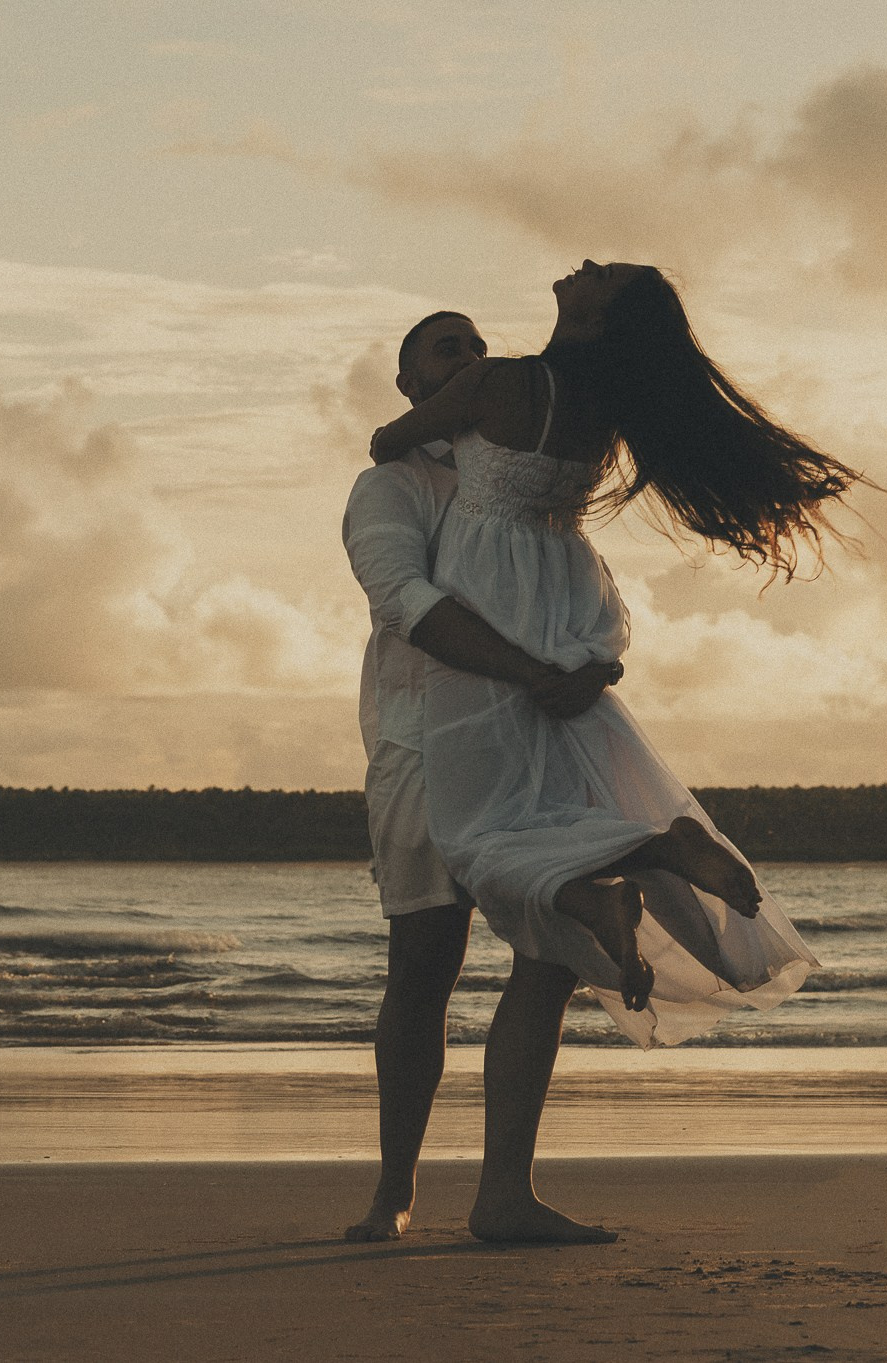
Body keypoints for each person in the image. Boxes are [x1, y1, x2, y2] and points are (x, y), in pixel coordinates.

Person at [366, 261, 861, 1242]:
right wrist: (587, 662)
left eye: (603, 273)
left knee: (478, 838)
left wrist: (443, 412)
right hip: (572, 623)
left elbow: (387, 440)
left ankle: (633, 859)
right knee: (545, 933)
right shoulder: (604, 412)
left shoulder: (500, 383)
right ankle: (504, 1189)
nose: (583, 262)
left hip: (490, 636)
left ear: (592, 313)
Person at [339, 310, 624, 1244]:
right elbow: (409, 604)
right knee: (425, 965)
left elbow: (582, 589)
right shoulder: (391, 486)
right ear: (413, 383)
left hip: (533, 746)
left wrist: (590, 661)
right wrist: (530, 669)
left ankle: (506, 1193)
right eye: (445, 346)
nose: (470, 356)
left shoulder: (527, 482)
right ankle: (393, 1189)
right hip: (424, 747)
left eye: (475, 344)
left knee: (550, 950)